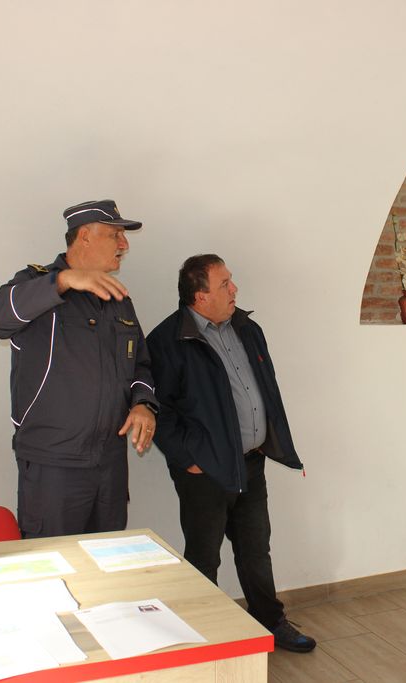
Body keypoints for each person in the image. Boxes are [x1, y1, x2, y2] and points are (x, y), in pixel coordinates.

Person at [145, 254, 315, 653]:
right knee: (204, 556)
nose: (234, 289)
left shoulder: (247, 329)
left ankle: (271, 623)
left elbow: (265, 388)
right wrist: (187, 458)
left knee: (256, 550)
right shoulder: (167, 341)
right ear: (200, 296)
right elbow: (156, 408)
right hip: (205, 471)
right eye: (224, 284)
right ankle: (203, 636)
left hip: (250, 463)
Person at [0, 199, 158, 538]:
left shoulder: (118, 300)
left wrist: (143, 405)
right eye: (115, 235)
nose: (124, 245)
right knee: (53, 559)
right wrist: (62, 281)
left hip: (109, 464)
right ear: (85, 236)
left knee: (107, 558)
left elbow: (141, 365)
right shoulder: (38, 284)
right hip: (55, 464)